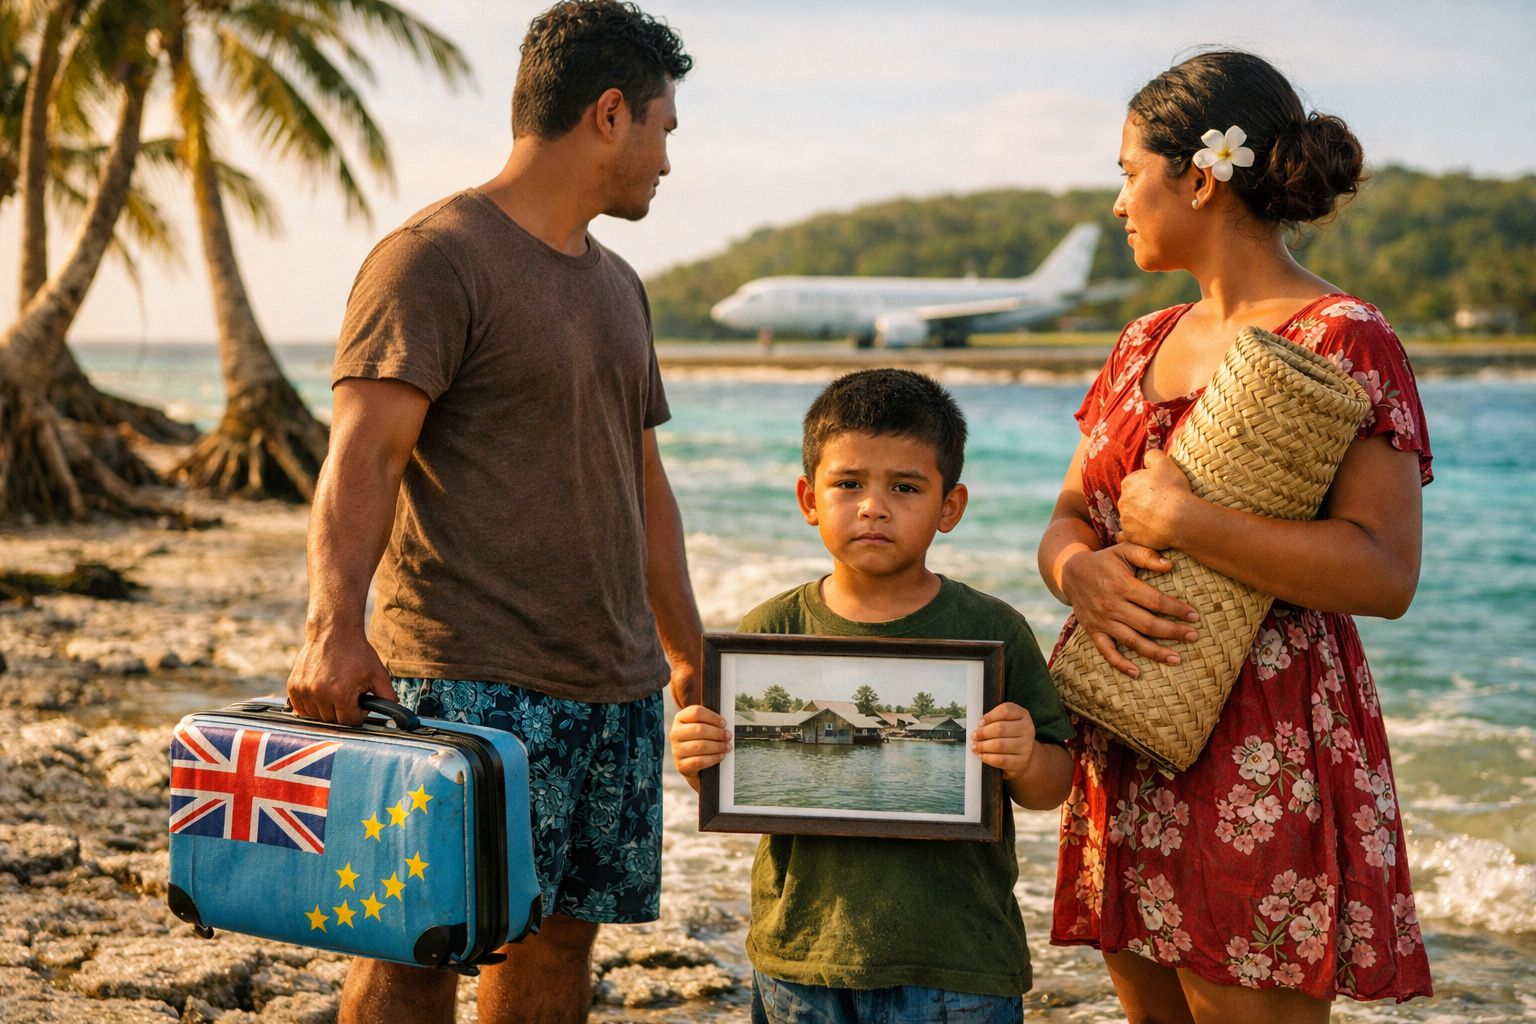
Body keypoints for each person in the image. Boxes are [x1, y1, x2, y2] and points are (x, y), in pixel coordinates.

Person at [283, 3, 702, 1022]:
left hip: (613, 685)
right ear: (610, 114)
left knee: (560, 935)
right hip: (463, 676)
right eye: (663, 129)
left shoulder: (622, 288)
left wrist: (687, 653)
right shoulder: (432, 257)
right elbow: (364, 454)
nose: (667, 160)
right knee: (419, 940)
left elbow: (643, 480)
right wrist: (332, 627)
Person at [1038, 50, 1434, 1023]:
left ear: (1201, 177)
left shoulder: (1343, 334)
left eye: (1129, 172)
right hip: (1131, 727)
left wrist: (1188, 522)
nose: (1120, 202)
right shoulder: (1142, 339)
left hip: (1265, 745)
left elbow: (1385, 572)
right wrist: (1078, 571)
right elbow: (1069, 516)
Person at [671, 368, 1075, 1023]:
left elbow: (1052, 787)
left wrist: (1026, 757)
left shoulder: (991, 629)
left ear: (950, 507)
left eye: (905, 487)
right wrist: (698, 758)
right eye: (849, 484)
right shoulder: (771, 630)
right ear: (809, 499)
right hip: (801, 957)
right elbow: (734, 784)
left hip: (957, 963)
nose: (873, 507)